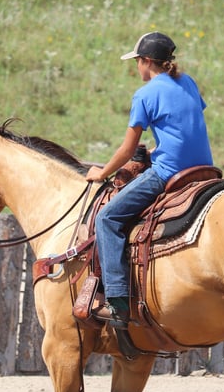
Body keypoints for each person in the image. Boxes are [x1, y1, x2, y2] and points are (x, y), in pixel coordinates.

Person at [85, 32, 214, 328]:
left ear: (145, 62)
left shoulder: (144, 94)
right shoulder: (188, 82)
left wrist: (101, 172)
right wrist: (157, 150)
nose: (136, 69)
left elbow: (127, 149)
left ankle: (117, 301)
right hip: (204, 167)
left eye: (137, 62)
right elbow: (186, 128)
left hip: (171, 172)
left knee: (107, 218)